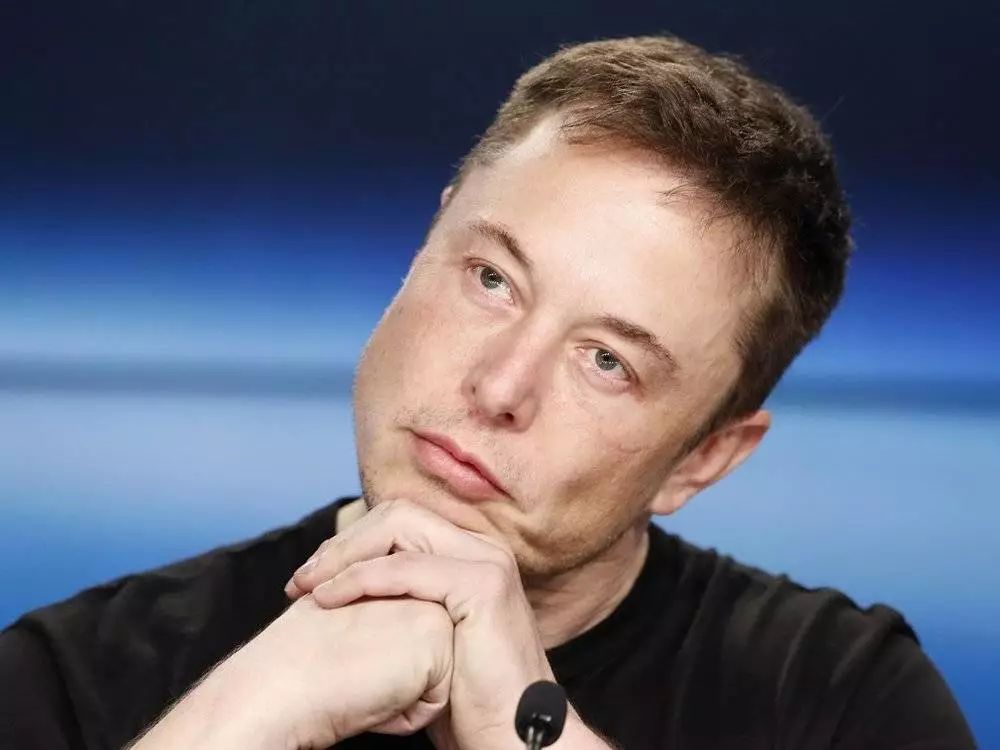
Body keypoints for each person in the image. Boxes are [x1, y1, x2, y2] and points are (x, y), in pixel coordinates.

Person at [0, 34, 976, 750]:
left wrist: (522, 721)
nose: (500, 385)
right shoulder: (70, 677)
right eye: (492, 279)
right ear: (426, 245)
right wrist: (239, 719)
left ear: (703, 458)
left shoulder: (841, 700)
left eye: (608, 361)